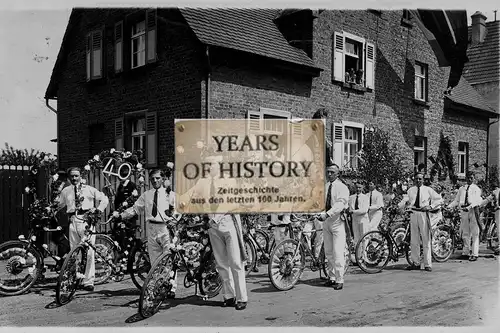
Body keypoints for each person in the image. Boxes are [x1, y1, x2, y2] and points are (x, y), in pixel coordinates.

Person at [120, 169, 179, 299]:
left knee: (169, 258)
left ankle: (171, 287)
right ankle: (159, 285)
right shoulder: (146, 195)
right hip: (152, 228)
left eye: (158, 178)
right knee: (155, 261)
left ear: (163, 179)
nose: (155, 181)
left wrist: (174, 221)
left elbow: (179, 211)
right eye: (152, 179)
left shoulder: (171, 195)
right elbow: (136, 208)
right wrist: (122, 215)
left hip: (166, 229)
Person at [56, 167, 109, 291]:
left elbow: (104, 199)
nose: (74, 178)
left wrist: (98, 210)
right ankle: (75, 278)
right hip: (73, 221)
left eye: (76, 176)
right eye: (72, 176)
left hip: (86, 221)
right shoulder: (66, 191)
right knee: (74, 252)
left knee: (89, 251)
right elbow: (60, 205)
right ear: (69, 177)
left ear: (80, 176)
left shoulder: (89, 189)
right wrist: (50, 208)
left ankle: (88, 281)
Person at [398, 172, 442, 272]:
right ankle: (416, 263)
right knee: (414, 240)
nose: (418, 181)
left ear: (423, 180)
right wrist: (398, 206)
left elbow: (439, 200)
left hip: (423, 214)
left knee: (426, 239)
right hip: (413, 214)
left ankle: (427, 264)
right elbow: (404, 200)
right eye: (417, 179)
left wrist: (430, 206)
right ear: (414, 180)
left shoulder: (428, 190)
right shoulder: (411, 190)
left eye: (420, 179)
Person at [317, 164, 349, 290]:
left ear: (338, 174)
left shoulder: (342, 188)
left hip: (337, 222)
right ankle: (331, 277)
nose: (329, 174)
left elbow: (340, 204)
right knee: (329, 252)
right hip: (326, 222)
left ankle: (340, 279)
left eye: (332, 172)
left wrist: (328, 214)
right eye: (328, 172)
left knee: (338, 251)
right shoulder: (325, 187)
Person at [447, 171, 483, 261]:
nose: (469, 179)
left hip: (473, 210)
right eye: (468, 178)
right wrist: (449, 206)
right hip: (464, 211)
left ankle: (475, 253)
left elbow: (477, 201)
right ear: (466, 178)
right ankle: (466, 252)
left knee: (475, 233)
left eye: (471, 178)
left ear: (474, 179)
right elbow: (457, 201)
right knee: (465, 232)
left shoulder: (476, 189)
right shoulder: (462, 189)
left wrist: (469, 207)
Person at [348, 181, 369, 245]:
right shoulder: (351, 197)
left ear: (363, 188)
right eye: (356, 187)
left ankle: (364, 254)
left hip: (363, 219)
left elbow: (364, 210)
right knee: (356, 238)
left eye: (360, 187)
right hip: (354, 220)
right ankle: (358, 254)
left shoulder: (365, 197)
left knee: (364, 237)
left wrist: (353, 211)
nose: (358, 189)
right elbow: (349, 208)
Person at [481, 185, 499, 255]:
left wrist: (479, 204)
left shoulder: (495, 192)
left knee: (499, 228)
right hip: (496, 211)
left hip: (498, 211)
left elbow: (487, 199)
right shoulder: (496, 192)